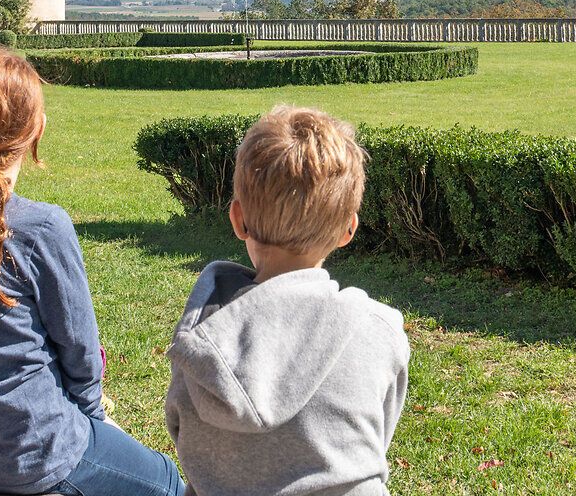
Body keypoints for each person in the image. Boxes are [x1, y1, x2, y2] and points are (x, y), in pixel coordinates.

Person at [0, 45, 181, 496]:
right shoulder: (42, 227)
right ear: (37, 132)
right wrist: (94, 422)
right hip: (33, 454)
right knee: (167, 479)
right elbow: (80, 352)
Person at [164, 106, 409, 496]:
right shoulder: (381, 331)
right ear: (349, 229)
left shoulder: (202, 343)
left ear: (238, 219)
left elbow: (183, 432)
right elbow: (377, 438)